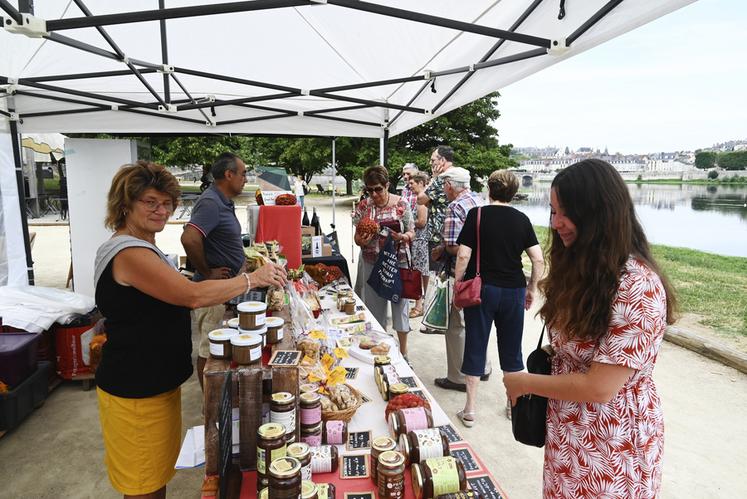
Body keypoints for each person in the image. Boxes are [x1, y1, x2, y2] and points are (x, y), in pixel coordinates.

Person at [94, 161, 285, 499]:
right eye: (150, 202)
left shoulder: (142, 246)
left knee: (156, 477)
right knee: (144, 486)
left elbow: (173, 288)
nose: (161, 210)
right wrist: (251, 279)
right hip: (136, 390)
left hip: (154, 384)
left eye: (167, 202)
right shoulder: (129, 253)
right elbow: (191, 296)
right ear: (126, 204)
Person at [503, 159, 677, 499]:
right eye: (552, 212)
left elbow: (599, 388)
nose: (556, 224)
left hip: (611, 444)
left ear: (599, 214)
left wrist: (524, 382)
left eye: (565, 213)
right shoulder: (585, 268)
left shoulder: (637, 285)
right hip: (570, 434)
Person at [453, 170, 544, 427]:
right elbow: (537, 259)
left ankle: (470, 410)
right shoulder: (522, 219)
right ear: (513, 193)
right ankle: (512, 405)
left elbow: (463, 256)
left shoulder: (477, 215)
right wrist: (532, 287)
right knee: (512, 349)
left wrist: (458, 284)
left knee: (475, 344)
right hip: (513, 290)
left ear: (489, 189)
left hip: (482, 290)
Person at [180, 153, 251, 390]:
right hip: (212, 291)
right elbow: (190, 238)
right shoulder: (211, 202)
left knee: (218, 348)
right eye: (242, 173)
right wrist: (207, 271)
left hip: (225, 288)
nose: (245, 178)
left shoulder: (222, 201)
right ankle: (209, 405)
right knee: (210, 351)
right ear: (228, 174)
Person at [432, 167, 491, 391]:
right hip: (483, 270)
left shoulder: (455, 206)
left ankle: (457, 377)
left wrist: (442, 250)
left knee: (456, 324)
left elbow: (454, 246)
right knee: (478, 322)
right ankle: (482, 367)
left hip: (464, 271)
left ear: (449, 185)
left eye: (444, 185)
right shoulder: (480, 200)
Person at [353, 165, 415, 357]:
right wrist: (360, 240)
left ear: (387, 185)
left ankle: (403, 354)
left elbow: (412, 232)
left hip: (398, 263)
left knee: (400, 309)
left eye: (378, 189)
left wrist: (402, 237)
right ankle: (379, 351)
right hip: (372, 262)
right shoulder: (364, 206)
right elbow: (357, 237)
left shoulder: (401, 204)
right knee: (374, 310)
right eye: (369, 190)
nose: (374, 194)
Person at [416, 146, 454, 333]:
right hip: (449, 235)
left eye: (433, 160)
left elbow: (421, 199)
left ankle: (435, 321)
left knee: (437, 278)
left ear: (443, 161)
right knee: (444, 277)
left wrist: (432, 181)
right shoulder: (455, 176)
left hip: (439, 235)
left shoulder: (442, 179)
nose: (431, 164)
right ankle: (440, 319)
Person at [407, 171, 430, 318]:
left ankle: (420, 305)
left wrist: (407, 222)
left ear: (421, 183)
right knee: (422, 274)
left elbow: (422, 222)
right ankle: (423, 304)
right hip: (418, 240)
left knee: (419, 274)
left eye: (412, 183)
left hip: (420, 241)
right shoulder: (421, 198)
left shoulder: (422, 200)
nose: (410, 186)